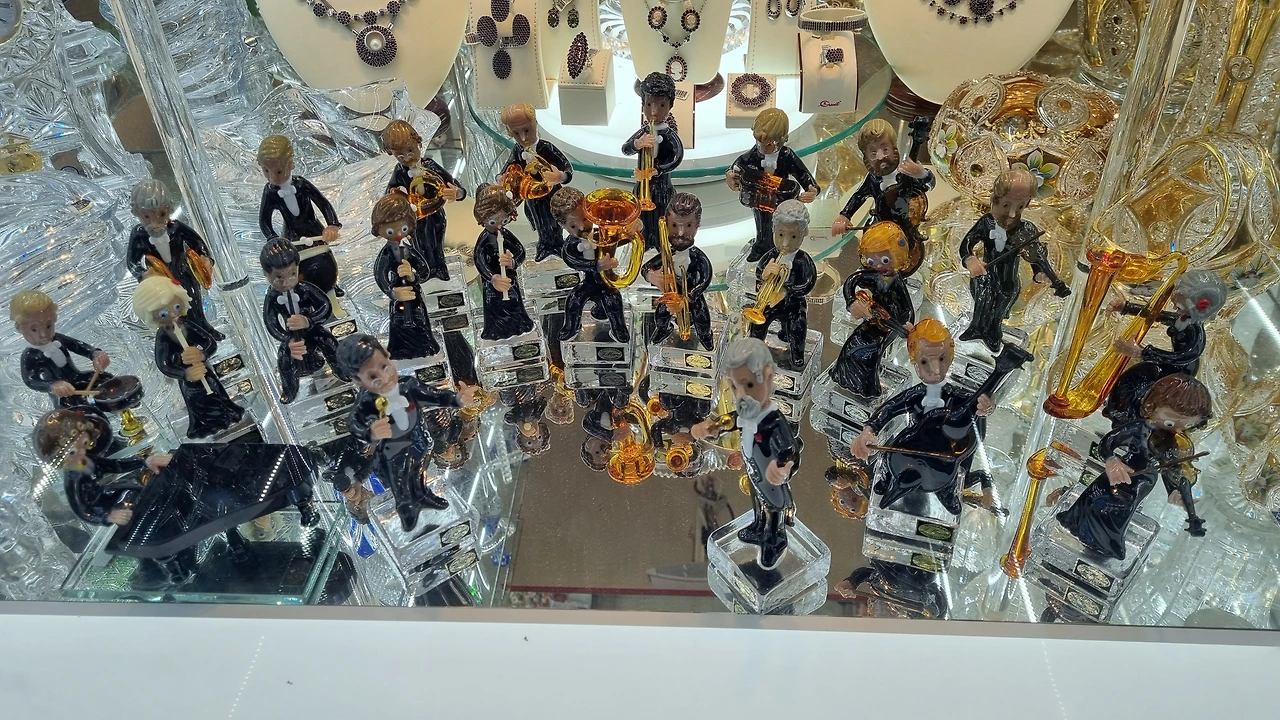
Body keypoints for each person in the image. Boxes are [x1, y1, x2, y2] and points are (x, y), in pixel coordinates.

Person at [34, 409, 320, 585]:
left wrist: (144, 462)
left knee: (192, 492)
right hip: (118, 507)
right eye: (74, 449)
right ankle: (175, 567)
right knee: (161, 522)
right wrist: (108, 515)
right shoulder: (73, 478)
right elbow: (82, 509)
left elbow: (114, 465)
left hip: (128, 493)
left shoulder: (87, 461)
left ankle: (204, 542)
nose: (82, 451)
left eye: (83, 444)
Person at [851, 320, 1009, 516]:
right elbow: (890, 408)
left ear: (950, 359)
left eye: (942, 359)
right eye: (925, 362)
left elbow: (976, 417)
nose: (936, 369)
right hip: (910, 450)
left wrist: (987, 407)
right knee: (888, 456)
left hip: (946, 457)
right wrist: (869, 430)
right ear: (915, 363)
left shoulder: (957, 397)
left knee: (958, 475)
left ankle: (947, 492)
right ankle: (887, 479)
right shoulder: (917, 394)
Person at [1057, 374, 1212, 560]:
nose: (1175, 430)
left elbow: (1172, 471)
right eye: (1170, 422)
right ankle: (1080, 528)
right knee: (1094, 497)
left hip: (1142, 481)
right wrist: (1112, 460)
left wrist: (1176, 491)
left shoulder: (1176, 443)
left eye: (1188, 424)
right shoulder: (1139, 428)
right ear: (1151, 407)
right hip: (1121, 469)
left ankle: (1105, 547)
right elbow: (1108, 442)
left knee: (1119, 511)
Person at [338, 334, 475, 532]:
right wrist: (371, 433)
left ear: (388, 356)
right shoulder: (367, 402)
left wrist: (457, 399)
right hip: (393, 450)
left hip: (418, 440)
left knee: (418, 472)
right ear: (359, 381)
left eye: (385, 367)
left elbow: (434, 396)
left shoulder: (408, 385)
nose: (384, 379)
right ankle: (406, 510)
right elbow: (355, 424)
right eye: (372, 377)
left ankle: (424, 495)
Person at [693, 337, 801, 570]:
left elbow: (791, 451)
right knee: (757, 499)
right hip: (753, 469)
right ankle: (758, 525)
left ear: (768, 377)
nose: (741, 395)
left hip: (770, 476)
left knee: (773, 506)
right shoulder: (746, 412)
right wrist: (711, 427)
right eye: (734, 387)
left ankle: (775, 539)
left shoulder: (774, 421)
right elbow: (730, 420)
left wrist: (784, 468)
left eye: (749, 385)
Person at [958, 169, 1069, 352]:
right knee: (982, 302)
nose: (1012, 214)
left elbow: (1036, 260)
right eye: (1005, 205)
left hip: (1008, 282)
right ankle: (975, 329)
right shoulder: (986, 222)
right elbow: (967, 243)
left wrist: (1040, 274)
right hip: (984, 276)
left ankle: (993, 334)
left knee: (998, 312)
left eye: (1020, 207)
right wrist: (970, 259)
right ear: (994, 200)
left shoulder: (1027, 229)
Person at [1102, 269, 1227, 426]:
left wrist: (1142, 352)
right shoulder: (1184, 318)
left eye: (1179, 306)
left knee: (1141, 378)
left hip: (1180, 371)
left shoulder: (1195, 333)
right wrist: (1126, 307)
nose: (1174, 308)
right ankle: (1118, 409)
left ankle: (1129, 415)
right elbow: (1156, 314)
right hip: (1169, 365)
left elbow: (1183, 357)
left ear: (1199, 306)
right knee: (1137, 375)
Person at [132, 275, 245, 439]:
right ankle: (205, 425)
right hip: (189, 379)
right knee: (197, 401)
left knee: (216, 389)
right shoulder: (163, 336)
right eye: (163, 313)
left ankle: (227, 414)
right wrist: (185, 374)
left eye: (176, 306)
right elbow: (163, 364)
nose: (172, 314)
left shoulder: (187, 326)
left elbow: (210, 342)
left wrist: (202, 353)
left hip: (203, 369)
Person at [256, 135, 345, 315]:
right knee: (300, 268)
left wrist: (332, 225)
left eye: (278, 171)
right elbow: (264, 220)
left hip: (315, 232)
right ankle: (310, 298)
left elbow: (323, 204)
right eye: (266, 171)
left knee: (325, 262)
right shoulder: (270, 192)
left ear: (291, 164)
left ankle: (331, 286)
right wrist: (274, 239)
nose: (272, 177)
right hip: (292, 239)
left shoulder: (302, 184)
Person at [125, 179, 222, 340]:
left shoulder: (176, 228)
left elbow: (198, 243)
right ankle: (181, 337)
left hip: (185, 273)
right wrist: (142, 274)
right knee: (171, 309)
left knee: (194, 302)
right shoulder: (139, 235)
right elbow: (132, 261)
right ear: (137, 213)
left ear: (168, 210)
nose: (155, 223)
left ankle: (204, 328)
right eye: (147, 216)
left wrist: (206, 259)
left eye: (161, 214)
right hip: (161, 282)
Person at [830, 119, 934, 269]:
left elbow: (929, 185)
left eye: (885, 150)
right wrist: (845, 216)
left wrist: (922, 174)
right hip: (879, 229)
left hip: (906, 231)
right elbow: (858, 196)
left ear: (894, 147)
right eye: (873, 154)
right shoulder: (873, 179)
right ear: (865, 156)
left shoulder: (908, 173)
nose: (880, 157)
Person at [829, 222, 916, 398]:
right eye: (871, 260)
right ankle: (844, 377)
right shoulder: (872, 274)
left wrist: (908, 323)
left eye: (884, 260)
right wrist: (851, 301)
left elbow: (907, 306)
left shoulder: (895, 279)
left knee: (872, 351)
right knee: (852, 343)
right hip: (874, 318)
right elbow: (851, 281)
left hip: (891, 323)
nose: (877, 265)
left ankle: (868, 387)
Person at [258, 239, 348, 404]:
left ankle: (342, 371)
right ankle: (289, 390)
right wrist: (287, 339)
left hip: (312, 330)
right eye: (279, 277)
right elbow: (270, 322)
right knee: (284, 359)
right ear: (267, 275)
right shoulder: (272, 297)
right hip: (292, 336)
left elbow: (325, 307)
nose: (286, 282)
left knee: (329, 342)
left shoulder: (305, 289)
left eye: (292, 274)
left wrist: (308, 320)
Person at [726, 108, 819, 262]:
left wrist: (812, 189)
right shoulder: (755, 153)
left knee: (781, 227)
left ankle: (779, 249)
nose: (762, 148)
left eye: (768, 144)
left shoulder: (787, 156)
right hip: (759, 196)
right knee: (761, 223)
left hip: (781, 200)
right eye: (759, 143)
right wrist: (730, 174)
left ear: (781, 140)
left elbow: (803, 174)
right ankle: (761, 246)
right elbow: (739, 164)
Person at [382, 119, 466, 281]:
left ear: (418, 143)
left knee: (437, 240)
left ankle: (439, 267)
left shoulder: (430, 165)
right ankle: (424, 270)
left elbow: (453, 183)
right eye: (400, 155)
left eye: (410, 150)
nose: (407, 157)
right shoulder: (399, 172)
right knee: (419, 243)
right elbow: (391, 192)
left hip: (435, 213)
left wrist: (458, 193)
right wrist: (399, 202)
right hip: (415, 217)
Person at [552, 186, 629, 343]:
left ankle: (619, 329)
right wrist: (596, 266)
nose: (581, 227)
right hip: (588, 283)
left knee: (614, 300)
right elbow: (570, 259)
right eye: (573, 226)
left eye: (585, 219)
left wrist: (633, 230)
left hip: (605, 282)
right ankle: (571, 327)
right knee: (573, 300)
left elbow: (618, 239)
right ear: (563, 226)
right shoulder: (571, 245)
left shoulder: (601, 233)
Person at [12, 290, 113, 410]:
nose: (43, 334)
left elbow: (78, 346)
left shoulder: (58, 338)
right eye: (34, 329)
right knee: (72, 409)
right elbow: (31, 380)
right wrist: (52, 385)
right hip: (63, 394)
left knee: (107, 381)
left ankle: (116, 404)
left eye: (48, 326)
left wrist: (95, 353)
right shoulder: (30, 355)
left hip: (77, 378)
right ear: (19, 328)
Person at [499, 103, 574, 262]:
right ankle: (545, 244)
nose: (523, 138)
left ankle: (557, 244)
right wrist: (502, 177)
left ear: (535, 124)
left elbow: (567, 167)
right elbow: (510, 165)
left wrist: (560, 176)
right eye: (516, 133)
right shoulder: (518, 150)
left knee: (554, 220)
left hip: (551, 195)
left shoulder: (546, 148)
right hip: (531, 195)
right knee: (539, 220)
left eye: (526, 130)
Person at [746, 199, 816, 366]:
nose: (785, 243)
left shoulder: (803, 260)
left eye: (793, 236)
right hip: (770, 302)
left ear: (804, 233)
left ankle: (797, 355)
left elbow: (808, 283)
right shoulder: (771, 255)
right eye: (780, 235)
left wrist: (787, 290)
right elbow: (758, 272)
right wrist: (764, 273)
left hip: (793, 304)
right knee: (758, 324)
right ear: (773, 230)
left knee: (797, 327)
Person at [642, 192, 715, 351]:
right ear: (666, 223)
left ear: (697, 226)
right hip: (671, 294)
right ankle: (663, 329)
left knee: (702, 318)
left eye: (688, 226)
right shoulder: (667, 253)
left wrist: (688, 297)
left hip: (692, 296)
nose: (681, 233)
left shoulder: (698, 257)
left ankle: (705, 337)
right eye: (674, 226)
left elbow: (706, 277)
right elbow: (646, 267)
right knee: (661, 315)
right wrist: (651, 275)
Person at [371, 193, 440, 359]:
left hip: (413, 293)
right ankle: (400, 349)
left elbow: (424, 270)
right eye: (390, 230)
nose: (397, 234)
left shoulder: (409, 249)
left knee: (419, 317)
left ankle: (425, 346)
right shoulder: (386, 253)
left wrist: (412, 275)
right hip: (399, 295)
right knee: (399, 321)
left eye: (402, 229)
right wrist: (393, 292)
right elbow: (380, 275)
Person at [622, 72, 684, 250]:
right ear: (643, 104)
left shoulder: (670, 136)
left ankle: (659, 242)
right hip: (642, 186)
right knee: (643, 217)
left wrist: (659, 169)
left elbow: (677, 157)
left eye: (661, 105)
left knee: (661, 216)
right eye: (649, 105)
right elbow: (625, 148)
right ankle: (645, 240)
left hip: (662, 188)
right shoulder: (643, 133)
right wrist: (637, 144)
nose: (654, 112)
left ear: (670, 105)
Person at [473, 184, 535, 341]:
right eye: (493, 221)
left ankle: (519, 324)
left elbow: (520, 251)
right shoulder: (484, 239)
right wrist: (492, 277)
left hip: (508, 276)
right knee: (494, 303)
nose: (500, 226)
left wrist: (513, 262)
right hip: (492, 281)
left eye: (504, 220)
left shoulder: (505, 234)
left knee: (514, 299)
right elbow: (479, 260)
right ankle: (496, 330)